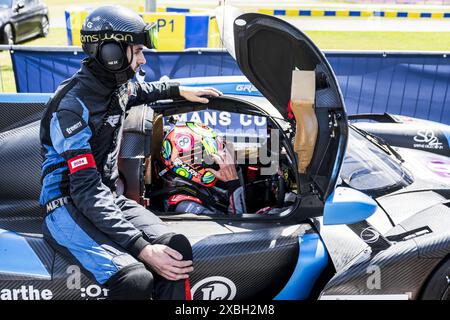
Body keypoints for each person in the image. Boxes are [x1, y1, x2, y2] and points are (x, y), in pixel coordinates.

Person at [39, 5, 221, 300]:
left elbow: (140, 92)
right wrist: (143, 249)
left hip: (105, 197)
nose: (143, 59)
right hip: (67, 207)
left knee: (176, 248)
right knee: (134, 279)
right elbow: (84, 191)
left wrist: (176, 90)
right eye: (137, 51)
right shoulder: (71, 106)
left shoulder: (116, 86)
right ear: (110, 53)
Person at [156, 122, 246, 215]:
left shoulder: (192, 184)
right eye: (212, 160)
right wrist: (233, 183)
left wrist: (235, 169)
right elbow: (237, 224)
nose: (219, 164)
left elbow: (226, 198)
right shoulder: (185, 207)